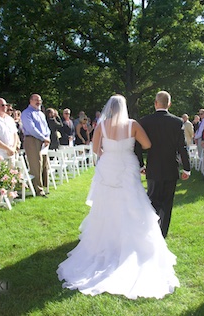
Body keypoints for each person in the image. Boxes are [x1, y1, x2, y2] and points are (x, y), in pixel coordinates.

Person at [57, 94, 180, 299]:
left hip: (108, 166)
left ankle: (106, 241)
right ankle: (130, 242)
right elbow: (147, 144)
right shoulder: (132, 125)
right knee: (132, 203)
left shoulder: (102, 125)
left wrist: (109, 150)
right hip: (127, 166)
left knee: (106, 205)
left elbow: (96, 149)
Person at [135, 91, 190, 238]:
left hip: (153, 168)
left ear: (155, 103)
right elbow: (182, 147)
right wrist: (187, 168)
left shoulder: (145, 121)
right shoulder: (177, 122)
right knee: (167, 203)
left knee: (152, 201)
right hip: (171, 168)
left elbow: (137, 146)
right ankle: (162, 234)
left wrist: (141, 165)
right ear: (169, 104)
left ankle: (150, 232)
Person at [21, 94, 51, 197]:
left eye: (39, 100)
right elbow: (31, 128)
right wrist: (43, 137)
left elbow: (46, 127)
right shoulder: (26, 113)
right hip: (32, 140)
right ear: (30, 101)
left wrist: (47, 137)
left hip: (44, 141)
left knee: (44, 164)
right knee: (36, 165)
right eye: (35, 100)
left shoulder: (41, 114)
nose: (38, 102)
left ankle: (44, 186)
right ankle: (38, 190)